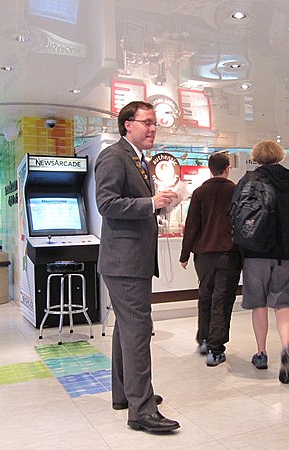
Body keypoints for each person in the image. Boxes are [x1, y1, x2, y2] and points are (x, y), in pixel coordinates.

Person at [94, 100, 180, 433]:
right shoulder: (114, 156)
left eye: (155, 123)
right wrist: (150, 203)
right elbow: (106, 203)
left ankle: (125, 395)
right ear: (127, 124)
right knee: (138, 330)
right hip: (124, 262)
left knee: (126, 329)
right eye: (147, 122)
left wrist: (157, 205)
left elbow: (127, 205)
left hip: (132, 260)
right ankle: (141, 411)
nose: (153, 128)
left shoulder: (136, 159)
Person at [236, 140, 289, 384]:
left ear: (256, 157)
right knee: (284, 302)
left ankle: (261, 352)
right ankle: (286, 346)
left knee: (259, 304)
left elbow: (236, 214)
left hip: (256, 252)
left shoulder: (249, 180)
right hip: (287, 253)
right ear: (280, 156)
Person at [179, 152, 241, 367]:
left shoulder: (199, 192)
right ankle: (216, 349)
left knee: (206, 296)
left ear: (210, 168)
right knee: (222, 301)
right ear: (227, 168)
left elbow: (192, 226)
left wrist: (185, 254)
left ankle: (204, 338)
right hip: (228, 255)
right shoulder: (235, 191)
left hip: (203, 257)